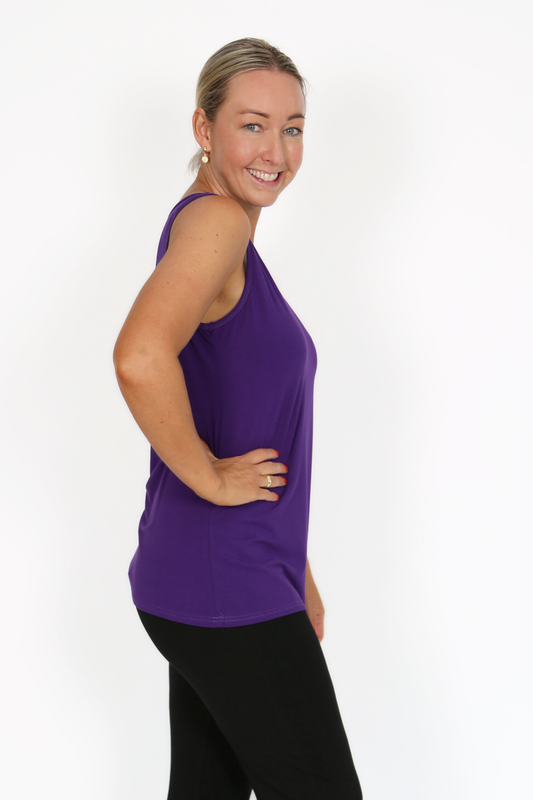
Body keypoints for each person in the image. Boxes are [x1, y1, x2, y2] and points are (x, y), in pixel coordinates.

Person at [113, 37, 362, 800]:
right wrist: (211, 479)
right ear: (203, 128)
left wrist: (296, 570)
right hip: (225, 582)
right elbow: (138, 356)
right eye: (252, 125)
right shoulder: (216, 223)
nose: (275, 151)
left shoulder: (223, 235)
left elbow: (248, 419)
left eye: (292, 128)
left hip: (218, 577)